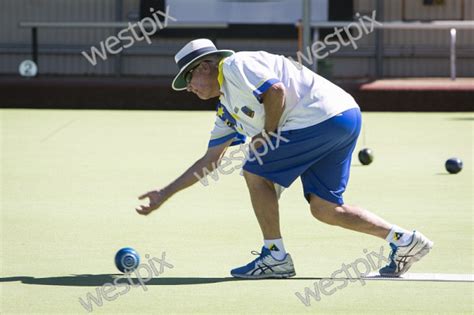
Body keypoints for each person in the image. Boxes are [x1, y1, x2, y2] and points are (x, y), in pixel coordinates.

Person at [135, 38, 433, 279]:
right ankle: (404, 241)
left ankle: (275, 256)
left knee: (254, 171)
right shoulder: (226, 109)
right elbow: (211, 160)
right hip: (343, 118)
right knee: (326, 209)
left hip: (323, 117)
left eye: (188, 77)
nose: (188, 87)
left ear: (204, 66)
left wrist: (267, 133)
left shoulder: (236, 65)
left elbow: (275, 91)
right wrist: (165, 193)